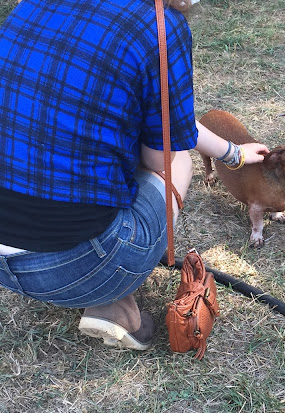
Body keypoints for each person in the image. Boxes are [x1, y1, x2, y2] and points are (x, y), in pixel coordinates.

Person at [0, 0, 269, 350]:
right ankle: (114, 302)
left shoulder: (31, 5)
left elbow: (170, 121)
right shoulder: (159, 24)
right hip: (76, 269)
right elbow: (161, 155)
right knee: (177, 160)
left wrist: (233, 153)